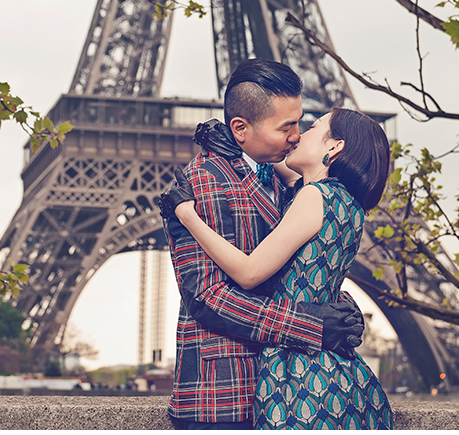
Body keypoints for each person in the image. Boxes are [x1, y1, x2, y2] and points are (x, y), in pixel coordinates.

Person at [156, 58, 366, 429]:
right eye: (286, 126)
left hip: (287, 392)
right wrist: (312, 323)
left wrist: (340, 308)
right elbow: (208, 298)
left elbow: (300, 270)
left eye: (301, 123)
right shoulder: (201, 181)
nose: (297, 135)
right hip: (224, 396)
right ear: (239, 128)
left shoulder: (288, 180)